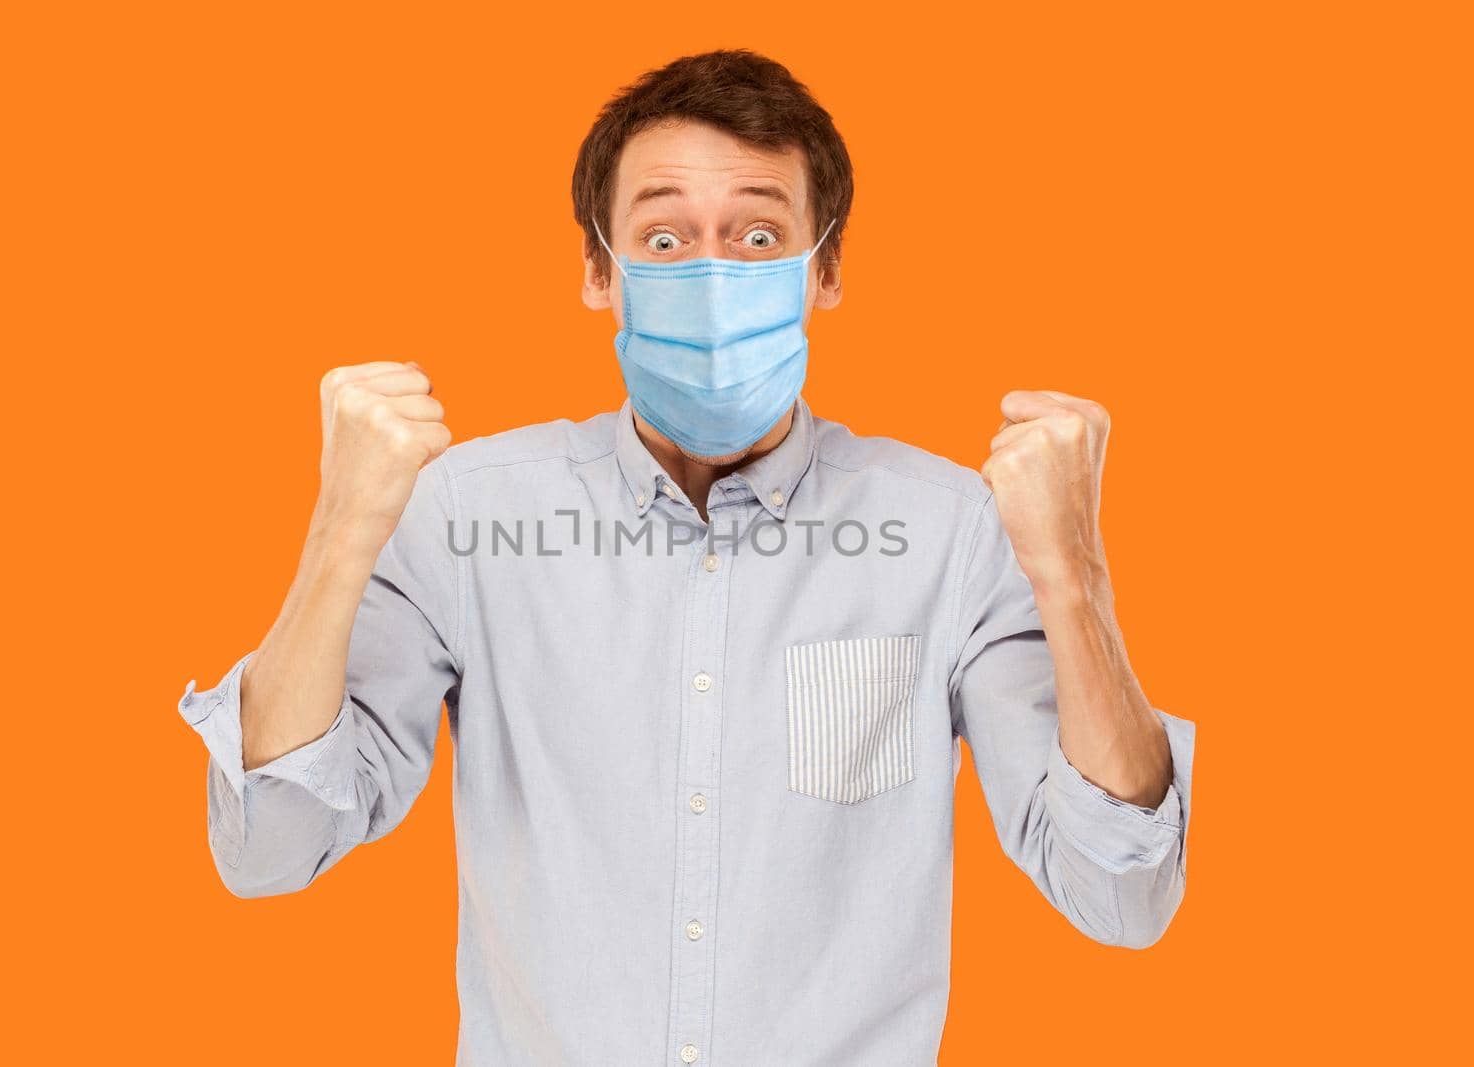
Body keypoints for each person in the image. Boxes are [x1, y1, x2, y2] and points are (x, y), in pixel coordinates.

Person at [177, 48, 1195, 1065]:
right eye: (663, 237)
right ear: (597, 269)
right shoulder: (467, 512)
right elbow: (271, 845)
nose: (712, 278)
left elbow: (1119, 891)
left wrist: (1073, 573)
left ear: (825, 269)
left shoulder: (949, 529)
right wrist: (340, 532)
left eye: (759, 235)